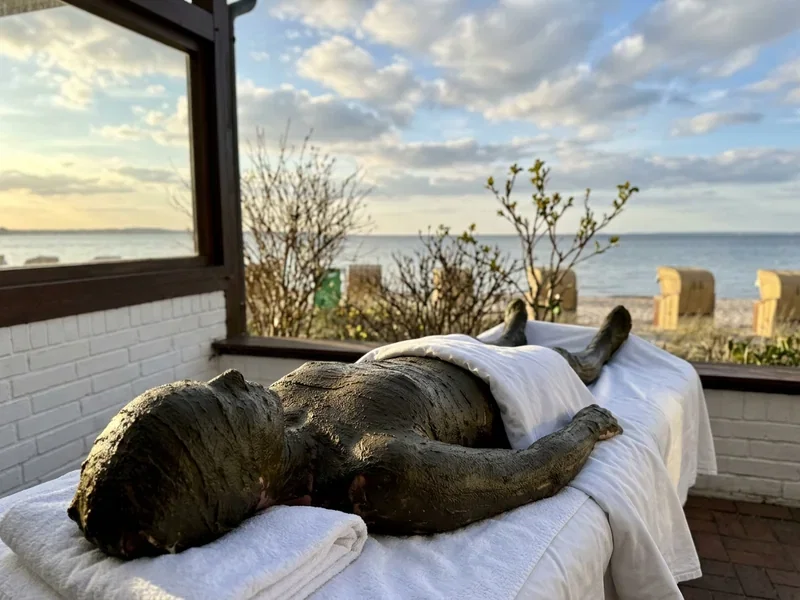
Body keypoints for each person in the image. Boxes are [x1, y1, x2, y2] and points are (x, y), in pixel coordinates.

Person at [68, 299, 631, 559]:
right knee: (573, 366)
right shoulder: (377, 470)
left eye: (211, 385)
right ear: (243, 476)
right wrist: (583, 428)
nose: (233, 378)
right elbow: (526, 472)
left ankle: (509, 331)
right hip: (496, 385)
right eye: (225, 406)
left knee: (495, 342)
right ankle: (599, 346)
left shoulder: (277, 405)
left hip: (419, 355)